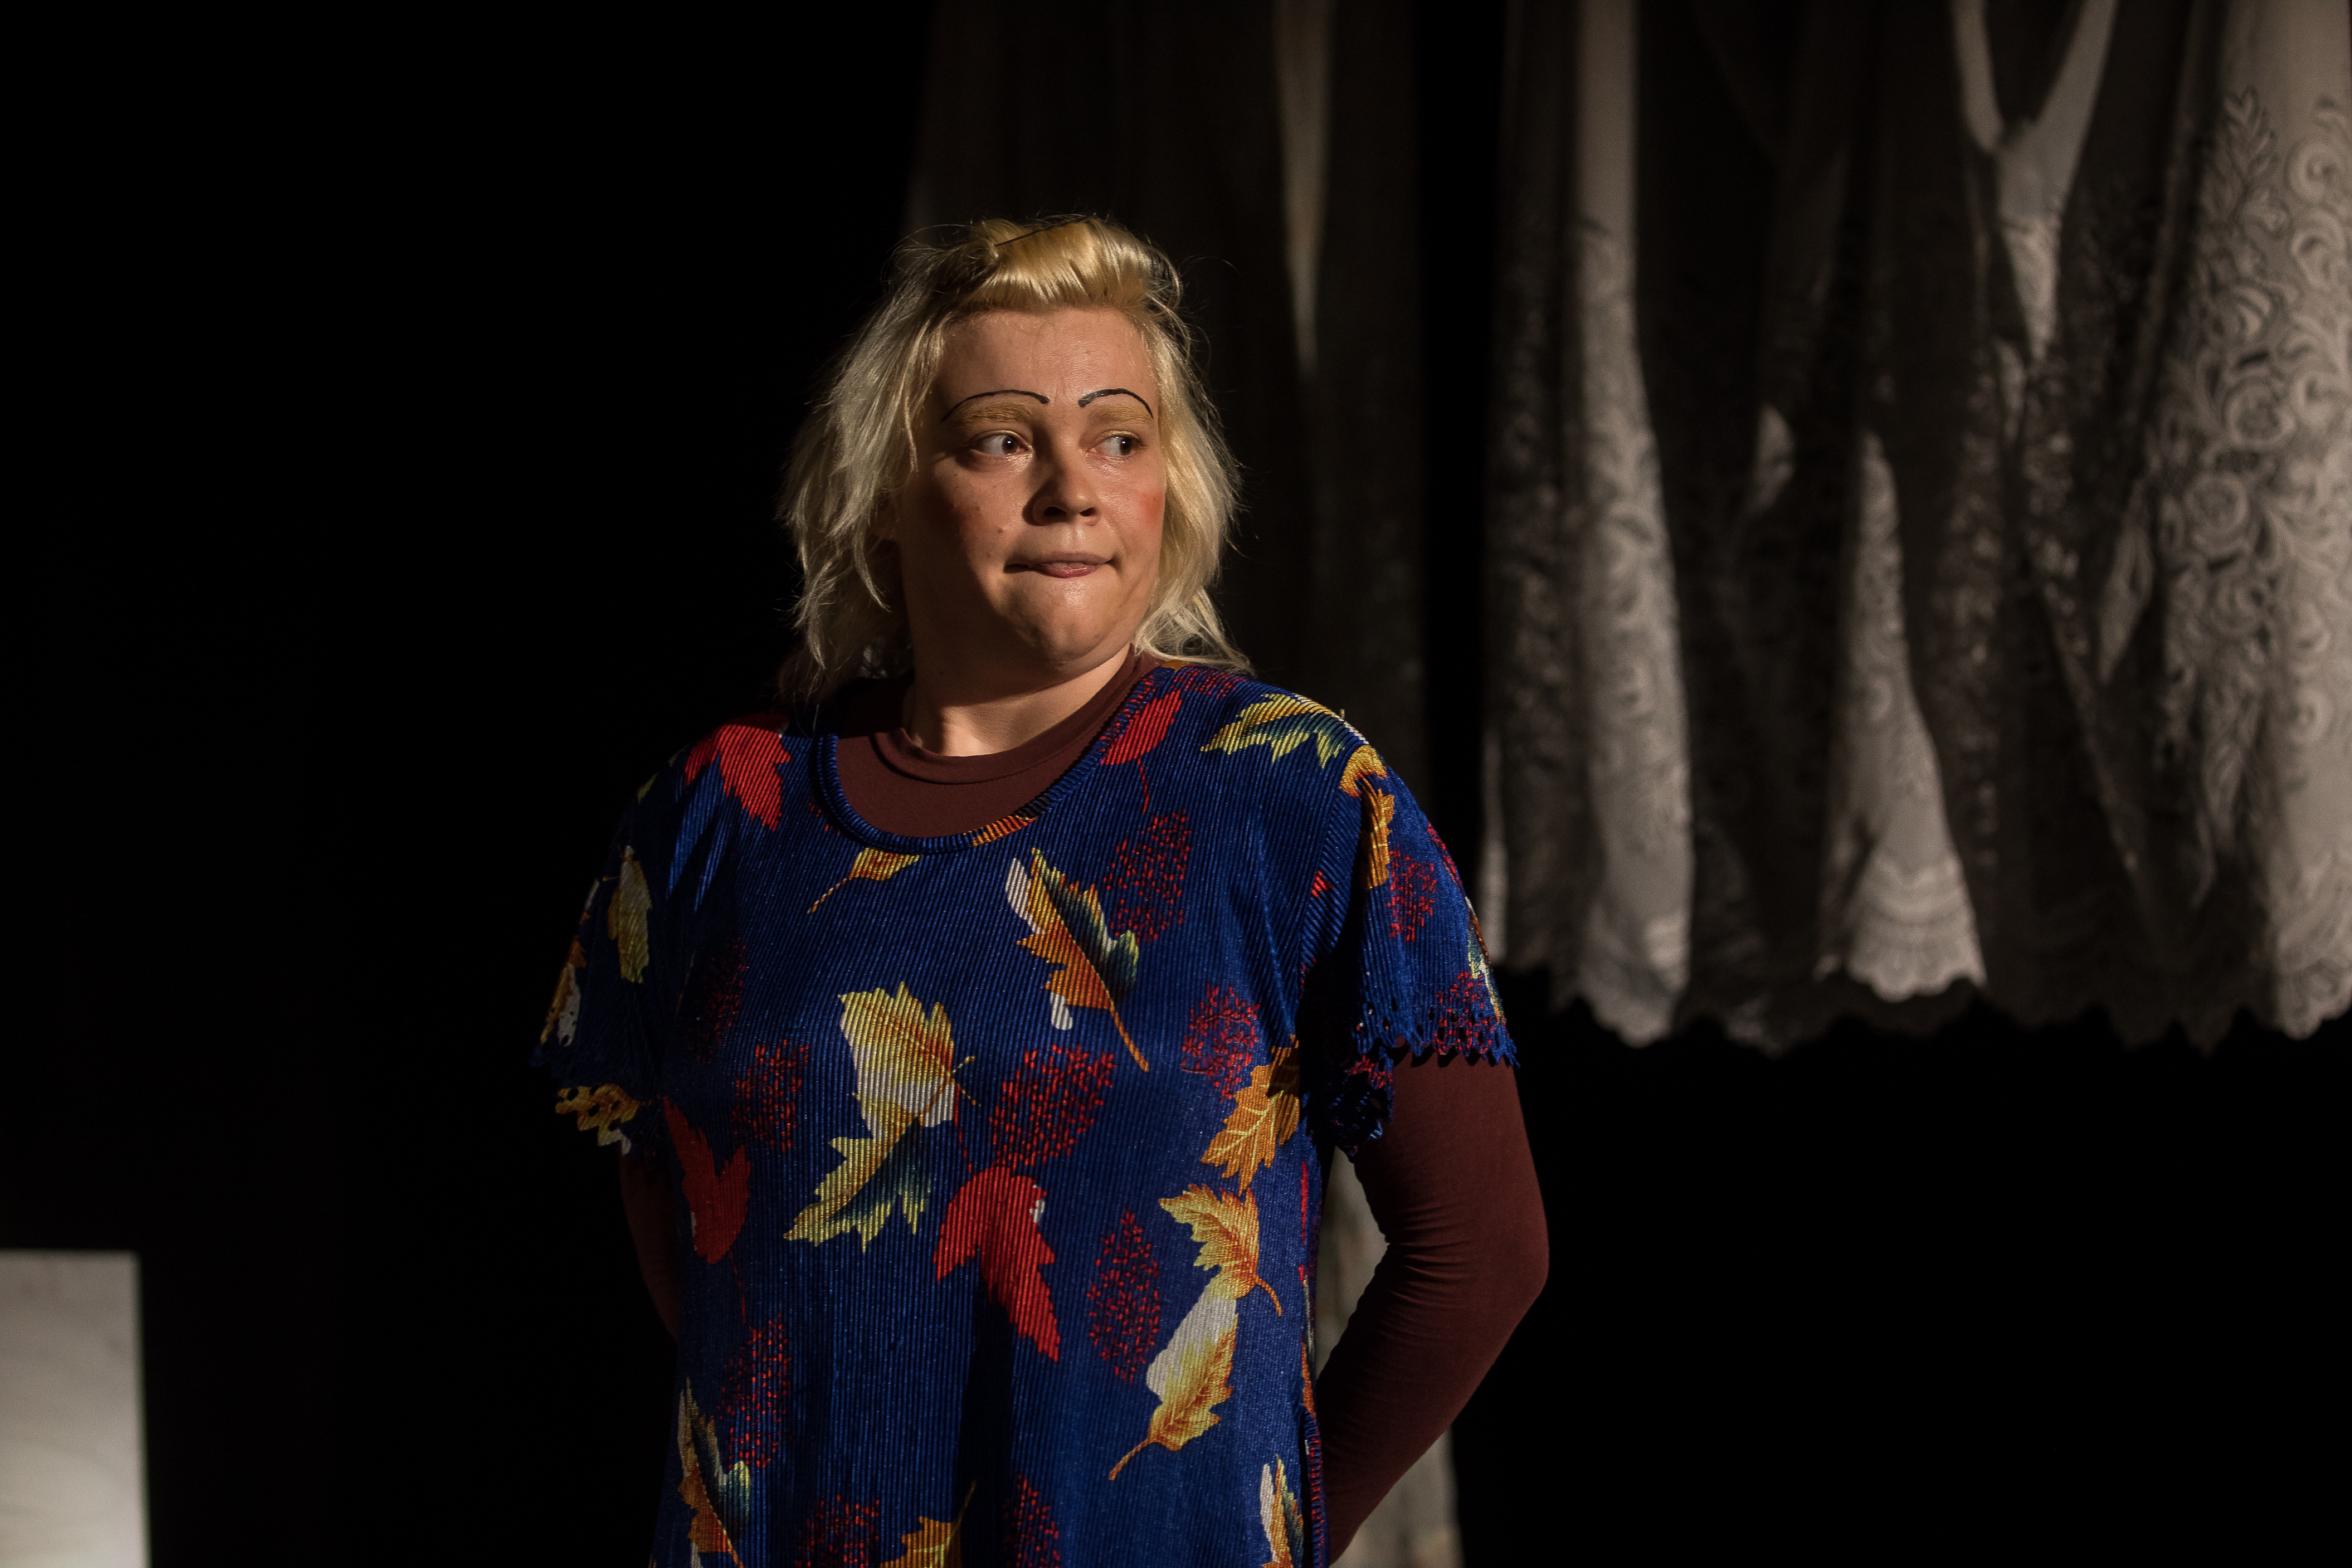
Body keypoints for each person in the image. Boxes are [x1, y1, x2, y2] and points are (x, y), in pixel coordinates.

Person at [538, 215, 1546, 1565]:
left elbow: (1482, 1250)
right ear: (886, 487)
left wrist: (1272, 1535)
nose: (1072, 486)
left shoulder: (1292, 793)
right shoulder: (722, 809)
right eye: (1003, 437)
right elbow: (685, 1224)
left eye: (1119, 437)